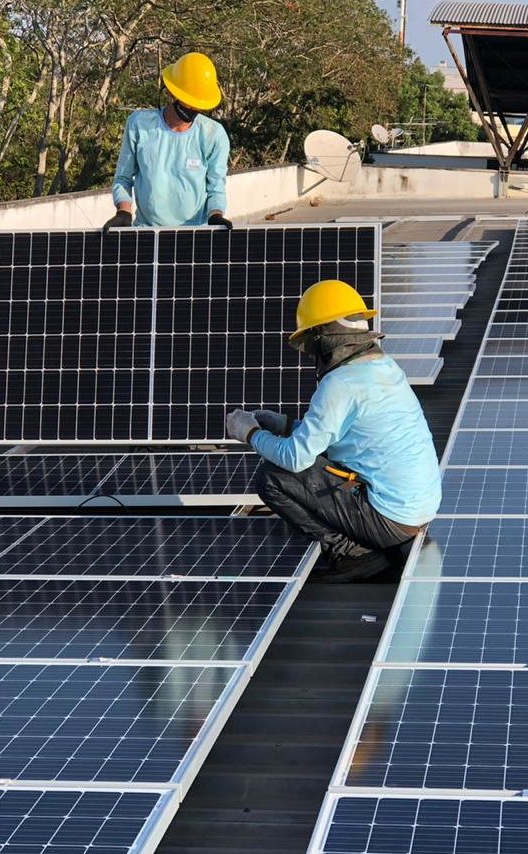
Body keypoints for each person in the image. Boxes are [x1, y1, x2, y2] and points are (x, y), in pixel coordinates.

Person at [225, 280, 442, 583]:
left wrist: (249, 434)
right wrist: (284, 424)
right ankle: (366, 545)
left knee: (271, 478)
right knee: (316, 462)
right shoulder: (383, 367)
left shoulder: (339, 383)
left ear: (323, 336)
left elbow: (297, 458)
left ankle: (352, 554)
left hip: (389, 520)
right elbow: (338, 435)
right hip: (417, 511)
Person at [103, 52, 232, 231]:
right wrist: (123, 211)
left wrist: (216, 215)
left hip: (195, 235)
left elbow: (216, 187)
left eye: (198, 105)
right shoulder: (139, 125)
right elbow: (123, 178)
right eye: (189, 102)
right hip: (146, 232)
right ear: (172, 92)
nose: (194, 109)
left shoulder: (213, 135)